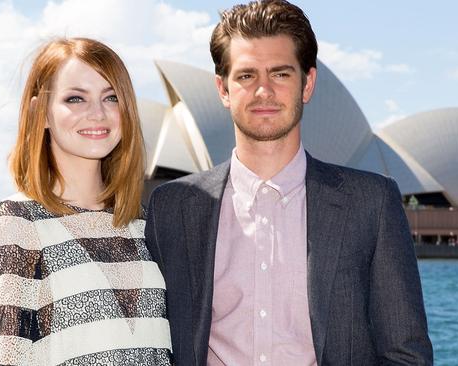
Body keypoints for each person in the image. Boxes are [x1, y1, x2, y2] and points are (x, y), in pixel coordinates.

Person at [144, 1, 433, 365]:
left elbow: (407, 356)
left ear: (307, 84)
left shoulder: (371, 203)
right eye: (247, 76)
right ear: (223, 89)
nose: (263, 90)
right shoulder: (172, 206)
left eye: (280, 74)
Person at [0, 38, 172, 366]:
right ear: (41, 113)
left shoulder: (143, 224)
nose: (97, 113)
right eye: (75, 98)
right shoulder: (15, 224)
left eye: (111, 97)